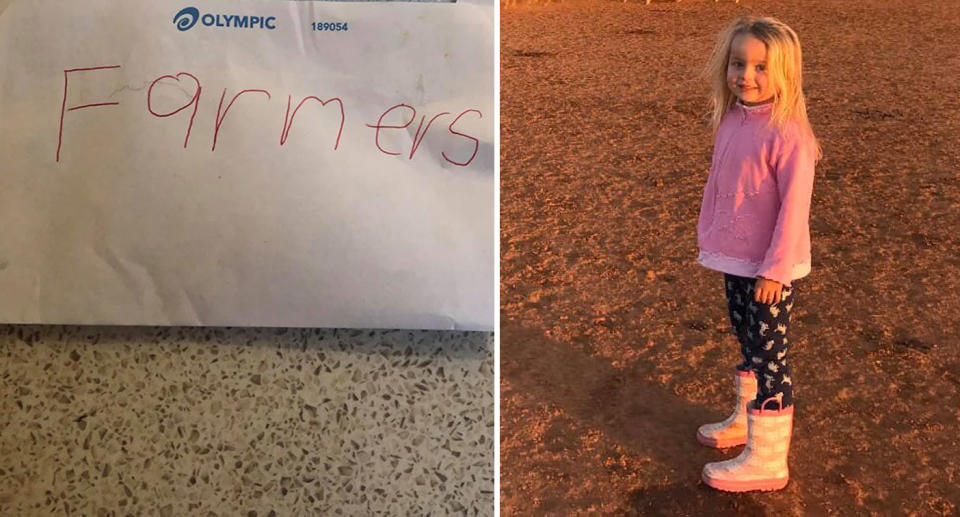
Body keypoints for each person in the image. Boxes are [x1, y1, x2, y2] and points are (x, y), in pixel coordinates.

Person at [693, 15, 822, 493]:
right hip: (735, 259)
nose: (745, 75)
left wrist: (776, 270)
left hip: (769, 268)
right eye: (737, 63)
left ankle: (768, 460)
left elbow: (794, 212)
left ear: (785, 72)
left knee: (771, 357)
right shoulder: (731, 118)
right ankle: (747, 424)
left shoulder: (789, 135)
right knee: (747, 341)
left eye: (761, 67)